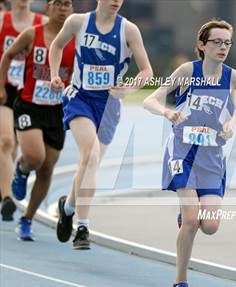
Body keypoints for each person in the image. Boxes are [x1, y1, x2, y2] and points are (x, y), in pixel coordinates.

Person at [143, 19, 236, 287]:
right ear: (202, 45)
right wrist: (168, 113)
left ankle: (189, 215)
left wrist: (231, 124)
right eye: (216, 42)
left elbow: (234, 109)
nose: (222, 47)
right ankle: (180, 283)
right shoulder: (188, 71)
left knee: (209, 225)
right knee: (191, 220)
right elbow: (150, 99)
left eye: (227, 43)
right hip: (182, 153)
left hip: (211, 157)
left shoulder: (231, 77)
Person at [49, 0, 153, 250]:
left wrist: (128, 88)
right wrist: (54, 75)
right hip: (80, 98)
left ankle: (68, 207)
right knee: (91, 155)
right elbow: (57, 45)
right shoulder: (78, 22)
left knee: (89, 164)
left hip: (109, 105)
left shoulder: (129, 30)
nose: (116, 1)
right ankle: (83, 227)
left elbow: (146, 71)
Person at [0, 0, 74, 240]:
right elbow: (7, 55)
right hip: (29, 105)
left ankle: (27, 219)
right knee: (35, 156)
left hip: (56, 111)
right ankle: (21, 169)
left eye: (68, 4)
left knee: (47, 168)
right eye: (59, 4)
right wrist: (1, 86)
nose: (63, 9)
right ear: (48, 8)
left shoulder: (76, 40)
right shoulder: (32, 34)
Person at [0, 0, 47, 221]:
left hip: (30, 94)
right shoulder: (2, 21)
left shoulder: (42, 24)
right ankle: (7, 198)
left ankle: (6, 180)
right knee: (6, 141)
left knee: (17, 148)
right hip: (5, 92)